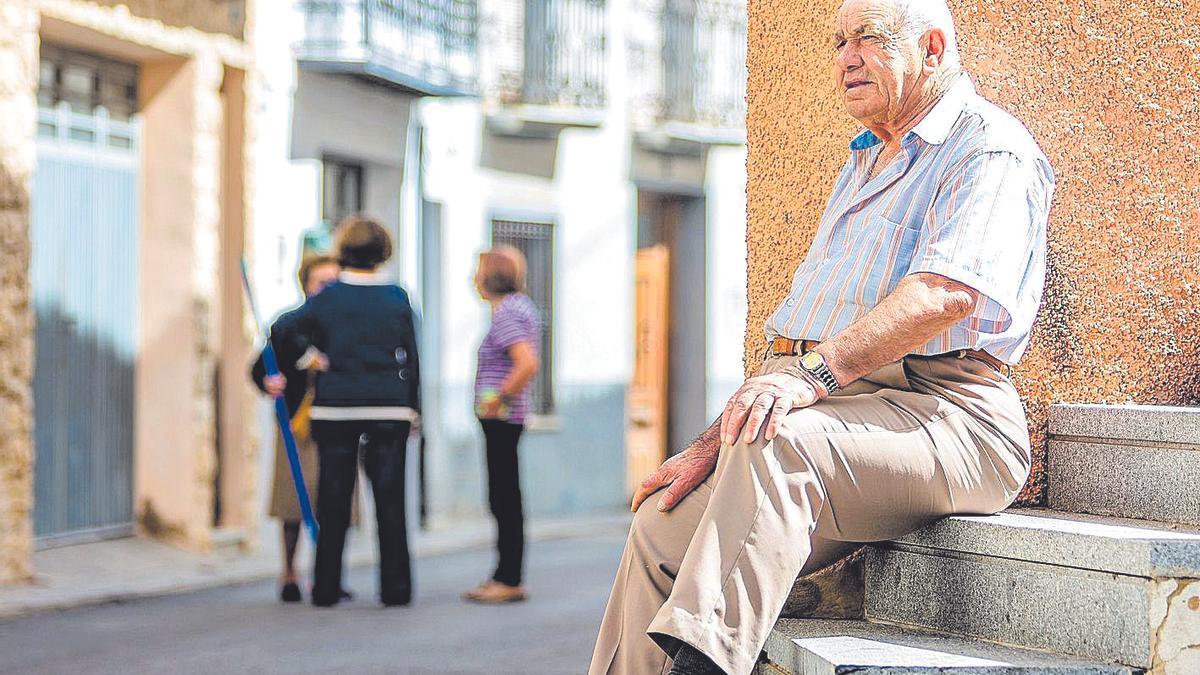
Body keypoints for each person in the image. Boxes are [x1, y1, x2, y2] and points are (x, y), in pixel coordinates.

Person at [588, 0, 1055, 673]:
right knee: (662, 524)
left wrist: (814, 375)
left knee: (780, 442)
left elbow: (945, 293)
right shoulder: (865, 160)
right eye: (838, 41)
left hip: (957, 415)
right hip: (850, 408)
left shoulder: (990, 146)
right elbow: (799, 337)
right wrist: (710, 441)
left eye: (868, 37)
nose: (846, 58)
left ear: (930, 47)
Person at [265, 215, 421, 608]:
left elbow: (281, 328)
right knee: (390, 500)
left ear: (343, 250)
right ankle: (396, 589)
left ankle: (328, 587)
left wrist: (307, 356)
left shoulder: (328, 297)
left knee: (333, 499)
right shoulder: (397, 297)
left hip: (336, 409)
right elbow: (413, 357)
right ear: (384, 252)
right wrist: (414, 407)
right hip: (390, 407)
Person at [252, 254, 341, 603]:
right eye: (321, 282)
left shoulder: (344, 327)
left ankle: (328, 575)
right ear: (306, 285)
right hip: (297, 426)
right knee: (292, 501)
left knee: (333, 505)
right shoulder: (288, 324)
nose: (327, 289)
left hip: (336, 425)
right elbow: (259, 367)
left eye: (334, 282)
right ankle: (289, 571)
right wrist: (267, 380)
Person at [463, 246, 541, 604]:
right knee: (506, 496)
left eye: (479, 271)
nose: (474, 278)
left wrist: (497, 399)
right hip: (508, 419)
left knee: (504, 497)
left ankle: (508, 578)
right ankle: (503, 574)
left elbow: (526, 363)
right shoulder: (519, 307)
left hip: (502, 419)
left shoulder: (507, 312)